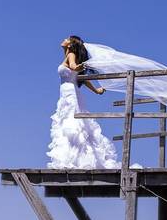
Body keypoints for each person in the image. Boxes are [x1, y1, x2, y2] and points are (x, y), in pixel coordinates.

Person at [46, 36, 121, 169]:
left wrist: (82, 66)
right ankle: (76, 158)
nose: (63, 39)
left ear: (70, 44)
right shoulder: (69, 55)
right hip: (69, 92)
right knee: (74, 123)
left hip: (70, 93)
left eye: (67, 39)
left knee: (72, 122)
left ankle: (73, 160)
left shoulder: (71, 54)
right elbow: (82, 78)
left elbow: (75, 68)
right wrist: (96, 91)